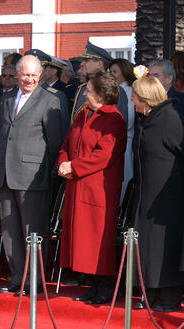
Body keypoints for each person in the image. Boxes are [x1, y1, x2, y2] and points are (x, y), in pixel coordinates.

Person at [0, 55, 62, 295]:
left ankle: (35, 280)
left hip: (33, 176)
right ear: (17, 74)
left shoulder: (51, 100)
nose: (29, 79)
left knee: (33, 232)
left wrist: (48, 174)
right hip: (5, 175)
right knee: (10, 231)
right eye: (25, 75)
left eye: (34, 75)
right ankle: (17, 278)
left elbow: (55, 141)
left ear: (41, 75)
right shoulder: (6, 98)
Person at [58, 71, 127, 304]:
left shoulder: (114, 119)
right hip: (77, 186)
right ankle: (92, 284)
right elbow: (68, 141)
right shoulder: (83, 114)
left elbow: (104, 155)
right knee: (81, 239)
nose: (85, 93)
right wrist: (63, 163)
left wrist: (73, 167)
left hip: (97, 190)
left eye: (88, 90)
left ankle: (105, 286)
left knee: (98, 240)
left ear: (101, 94)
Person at [131, 76, 184, 312]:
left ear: (146, 99)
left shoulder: (171, 118)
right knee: (148, 244)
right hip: (146, 194)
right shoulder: (147, 118)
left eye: (134, 96)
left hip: (168, 198)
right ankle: (150, 291)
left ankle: (170, 295)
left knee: (166, 245)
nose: (131, 99)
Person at [71, 42, 128, 125]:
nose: (82, 64)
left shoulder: (117, 90)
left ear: (99, 64)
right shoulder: (81, 89)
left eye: (86, 60)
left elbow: (119, 125)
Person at [109, 58, 136, 201]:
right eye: (110, 71)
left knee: (125, 175)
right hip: (115, 139)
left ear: (124, 73)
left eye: (115, 71)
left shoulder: (128, 91)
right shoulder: (114, 91)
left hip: (126, 139)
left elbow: (129, 120)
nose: (112, 74)